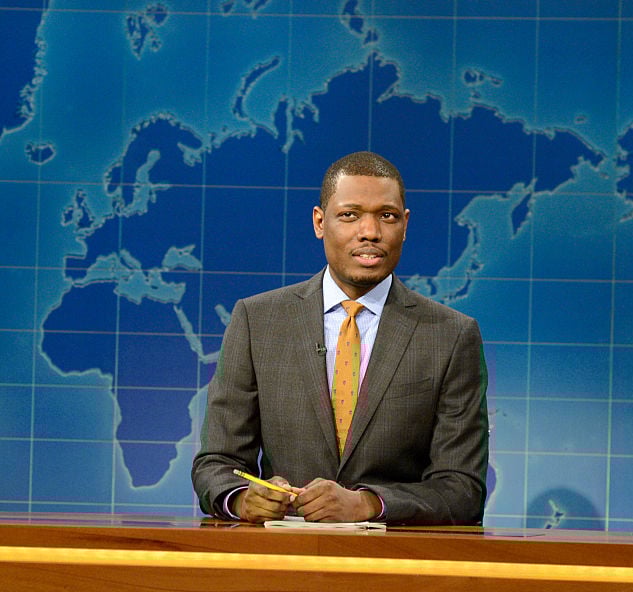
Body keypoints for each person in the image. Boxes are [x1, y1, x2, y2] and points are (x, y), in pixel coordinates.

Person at [192, 151, 489, 525]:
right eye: (350, 215)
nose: (370, 232)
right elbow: (217, 463)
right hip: (282, 552)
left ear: (405, 224)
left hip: (394, 555)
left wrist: (368, 505)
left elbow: (462, 489)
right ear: (320, 222)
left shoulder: (451, 335)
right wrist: (241, 500)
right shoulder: (258, 321)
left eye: (387, 216)